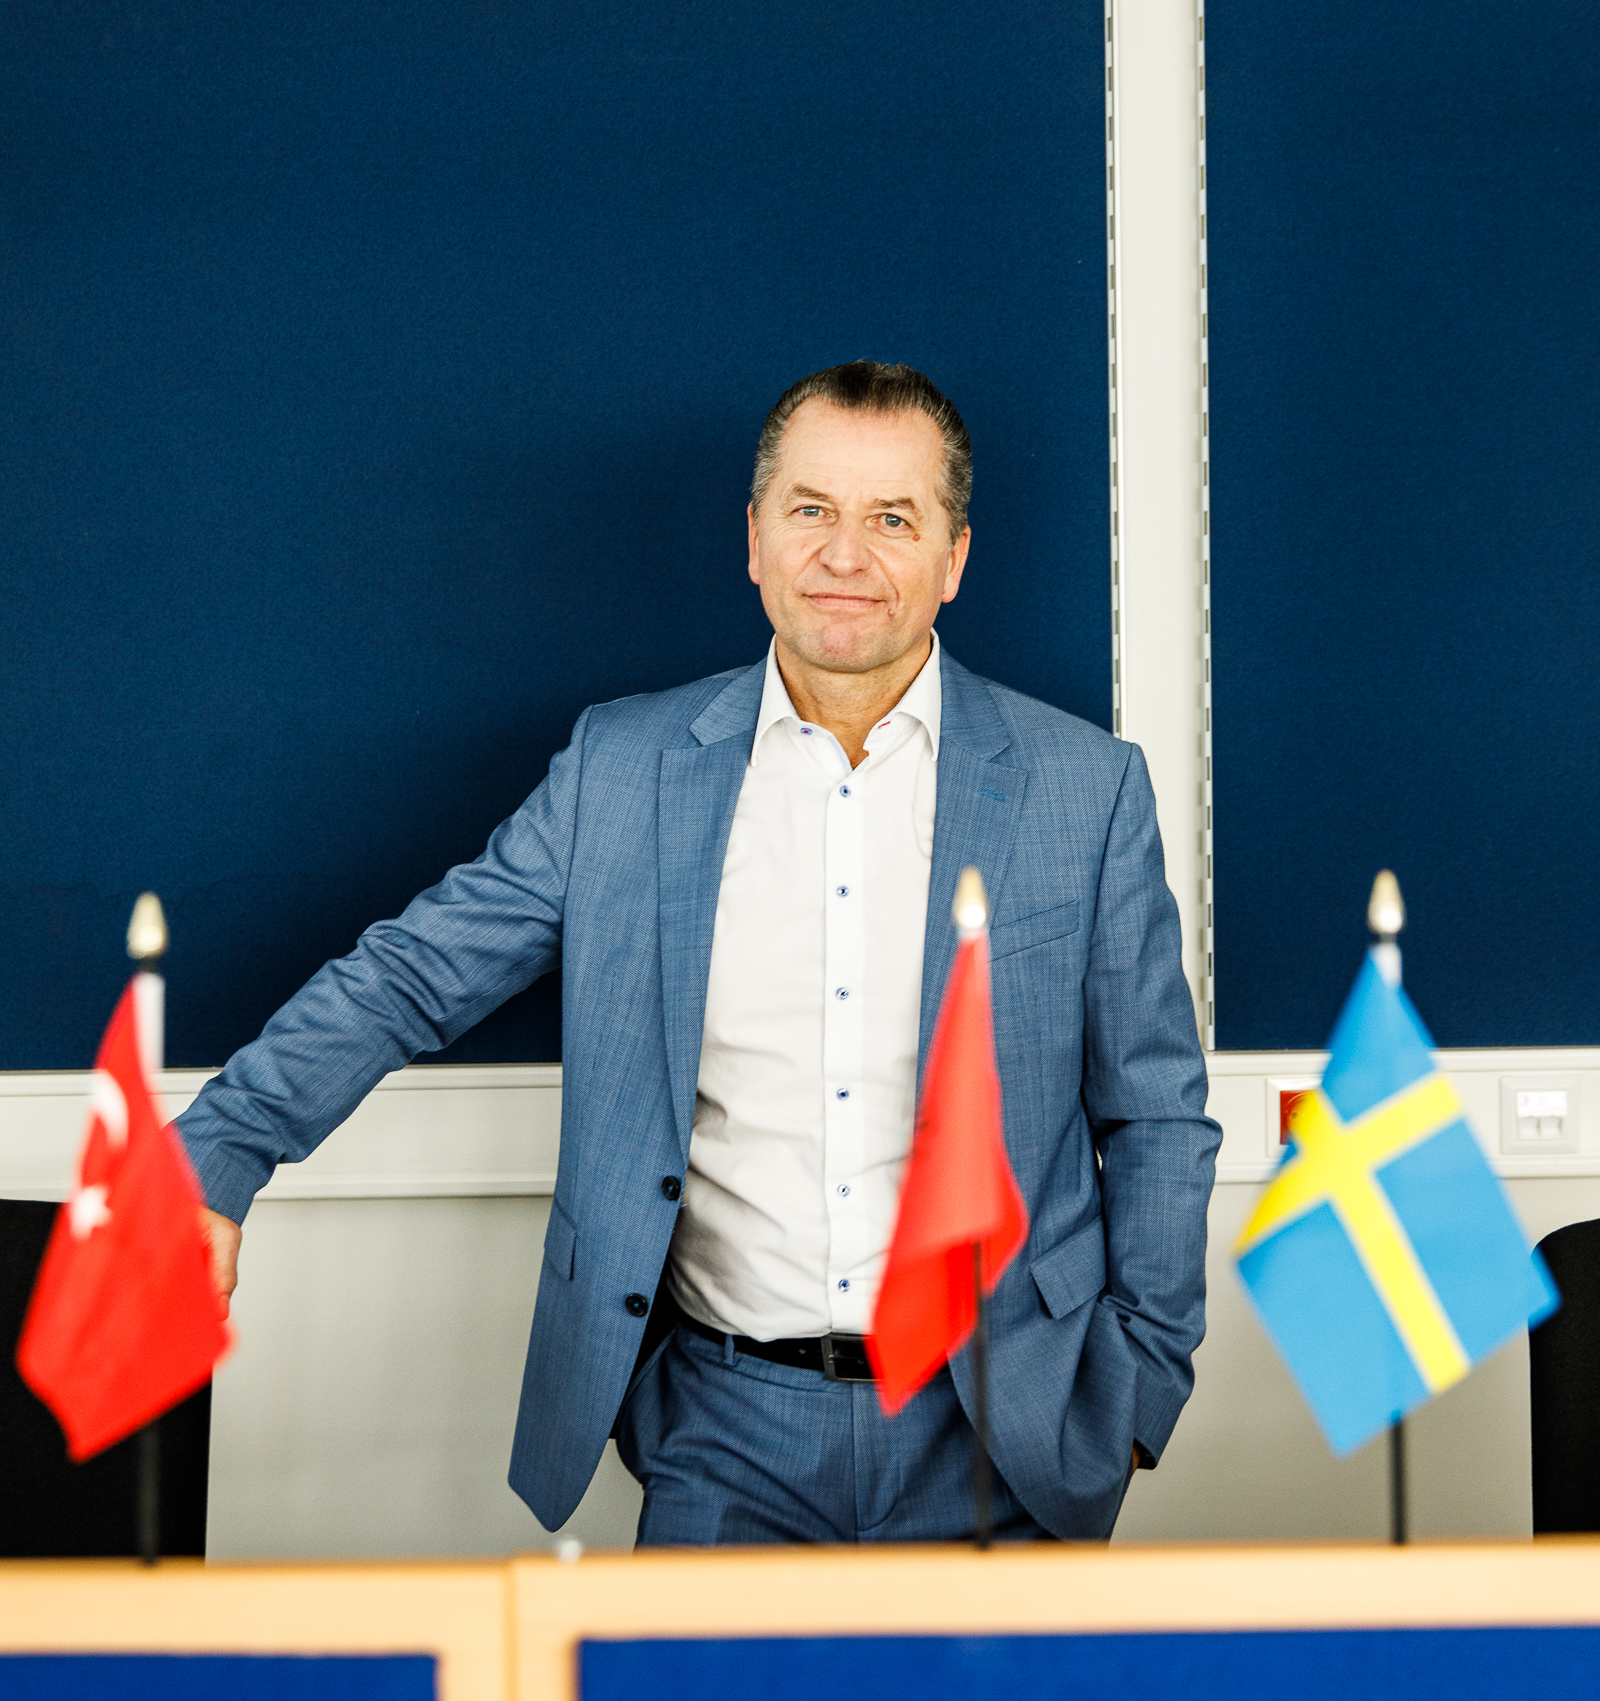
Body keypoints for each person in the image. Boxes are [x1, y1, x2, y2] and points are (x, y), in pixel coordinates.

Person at [179, 360, 1217, 1545]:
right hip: (725, 1433)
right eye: (811, 509)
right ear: (755, 538)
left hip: (1002, 1424)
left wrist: (1139, 1387)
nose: (844, 554)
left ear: (953, 558)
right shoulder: (622, 773)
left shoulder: (1084, 790)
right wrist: (219, 1150)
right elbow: (411, 977)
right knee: (679, 1686)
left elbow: (1155, 1111)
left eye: (892, 519)